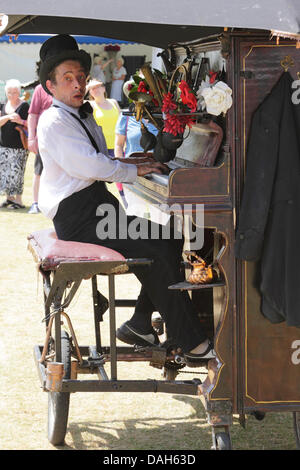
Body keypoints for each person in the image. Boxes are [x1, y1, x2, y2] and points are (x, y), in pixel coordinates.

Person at [36, 34, 214, 365]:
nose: (77, 85)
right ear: (51, 86)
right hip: (80, 218)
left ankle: (141, 323)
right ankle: (191, 341)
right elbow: (92, 165)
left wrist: (136, 162)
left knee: (169, 238)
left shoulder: (79, 114)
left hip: (95, 208)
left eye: (80, 78)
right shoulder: (54, 121)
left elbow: (101, 157)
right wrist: (136, 170)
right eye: (68, 79)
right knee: (157, 245)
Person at [115, 113, 159, 212]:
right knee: (135, 215)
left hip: (158, 178)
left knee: (159, 218)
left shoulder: (161, 117)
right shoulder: (126, 117)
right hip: (132, 176)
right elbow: (119, 145)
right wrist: (120, 170)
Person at [0, 79, 29, 209]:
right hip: (4, 144)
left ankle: (18, 201)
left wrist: (20, 120)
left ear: (19, 92)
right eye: (9, 92)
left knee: (17, 172)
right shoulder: (2, 105)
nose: (12, 95)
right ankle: (9, 198)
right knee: (6, 172)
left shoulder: (24, 106)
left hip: (19, 146)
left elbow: (30, 124)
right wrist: (7, 117)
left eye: (15, 92)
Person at [27, 81, 53, 213]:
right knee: (38, 171)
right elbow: (32, 114)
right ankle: (35, 203)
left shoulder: (66, 86)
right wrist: (31, 137)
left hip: (62, 139)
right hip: (43, 138)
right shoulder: (39, 89)